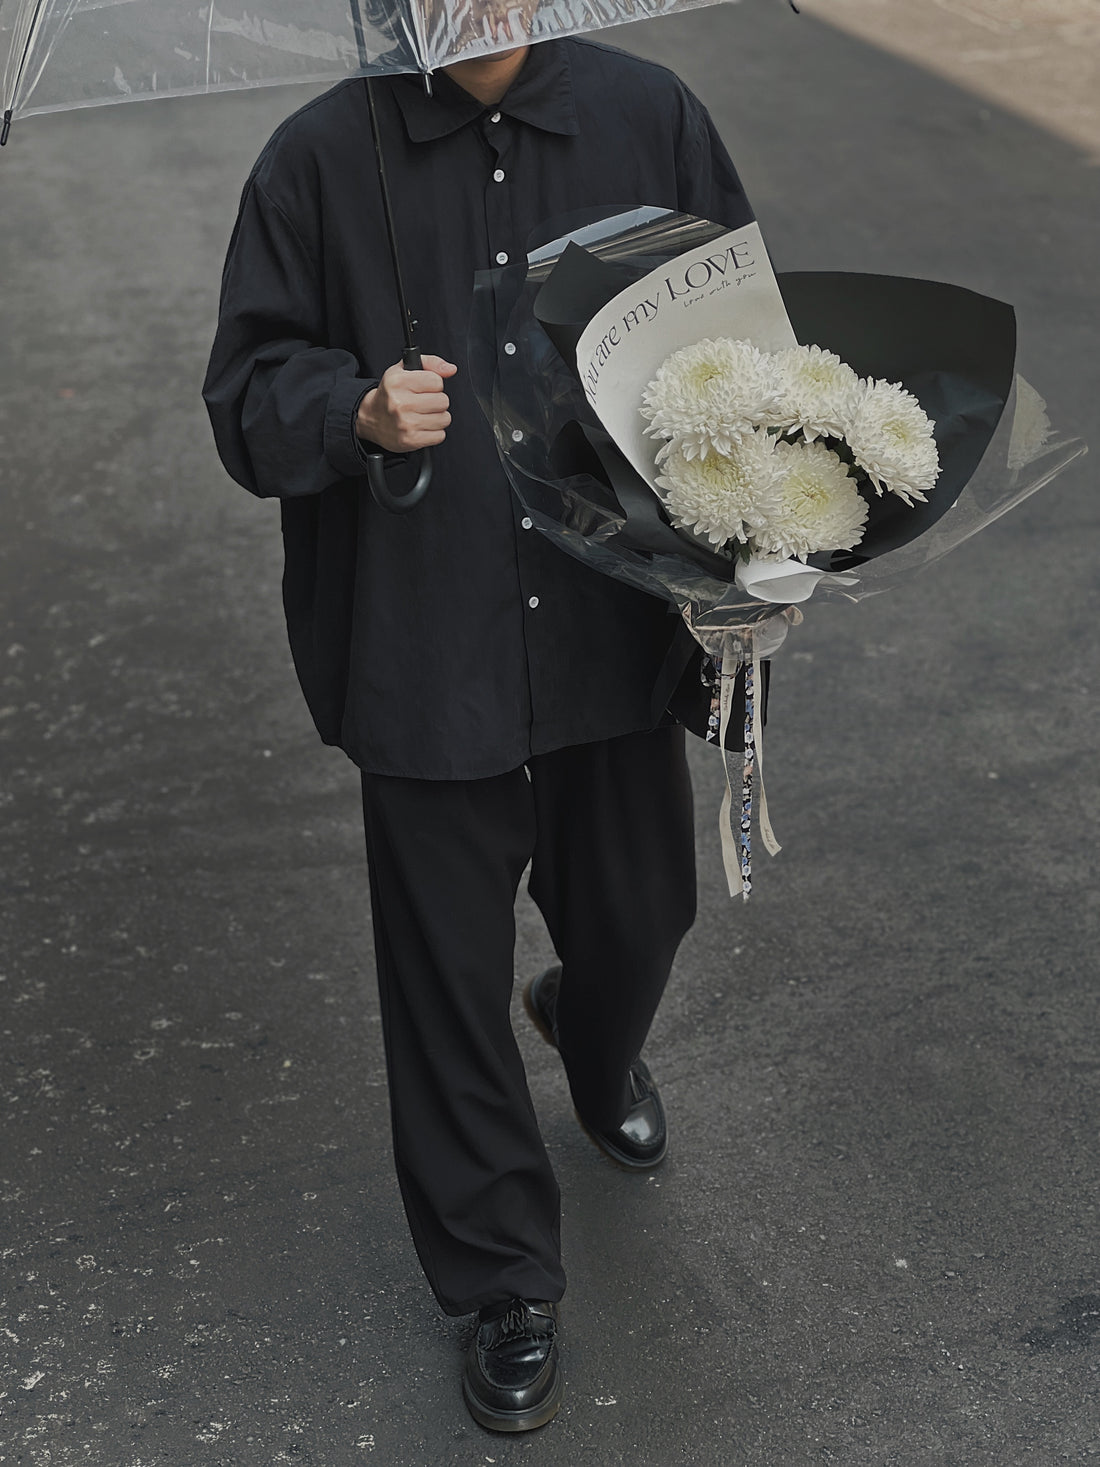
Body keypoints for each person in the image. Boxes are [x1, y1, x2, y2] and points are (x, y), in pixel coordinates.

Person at [203, 33, 754, 1433]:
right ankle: (503, 1280)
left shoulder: (652, 124)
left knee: (641, 915)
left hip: (608, 624)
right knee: (445, 986)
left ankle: (596, 1022)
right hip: (421, 642)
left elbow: (743, 363)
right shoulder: (321, 159)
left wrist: (769, 545)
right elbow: (245, 398)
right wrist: (354, 409)